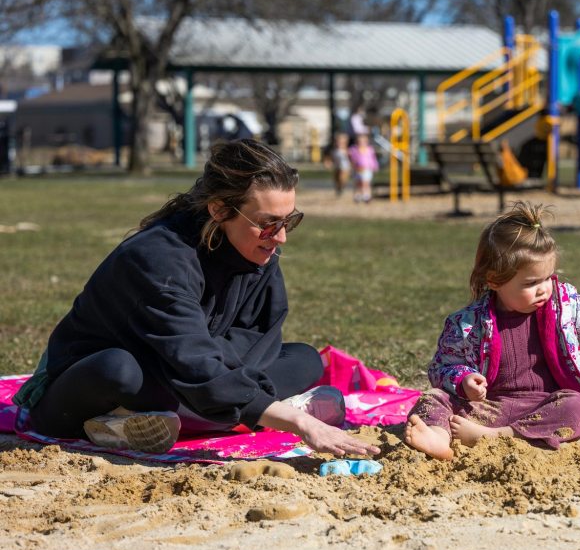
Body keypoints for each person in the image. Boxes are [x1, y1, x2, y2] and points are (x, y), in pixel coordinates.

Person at [13, 139, 379, 458]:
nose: (280, 237)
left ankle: (179, 416)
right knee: (118, 369)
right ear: (219, 210)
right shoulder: (158, 257)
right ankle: (243, 409)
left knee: (303, 359)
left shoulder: (259, 251)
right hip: (99, 384)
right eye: (268, 223)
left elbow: (260, 340)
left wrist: (218, 373)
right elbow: (190, 357)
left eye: (289, 221)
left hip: (188, 376)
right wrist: (298, 422)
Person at [403, 201, 580, 460]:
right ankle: (439, 439)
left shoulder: (563, 306)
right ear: (494, 280)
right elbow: (442, 366)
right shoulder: (467, 323)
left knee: (578, 407)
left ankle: (501, 438)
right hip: (488, 409)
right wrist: (463, 379)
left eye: (547, 278)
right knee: (432, 399)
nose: (543, 289)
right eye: (529, 283)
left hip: (543, 407)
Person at [347, 133, 378, 203]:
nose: (361, 143)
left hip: (367, 169)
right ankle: (357, 195)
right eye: (359, 141)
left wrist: (375, 166)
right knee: (358, 183)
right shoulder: (354, 149)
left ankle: (367, 196)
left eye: (363, 141)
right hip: (358, 169)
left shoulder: (370, 150)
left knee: (366, 183)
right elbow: (351, 157)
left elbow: (373, 159)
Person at [324, 132, 351, 197]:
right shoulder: (333, 150)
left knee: (342, 177)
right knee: (336, 179)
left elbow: (351, 158)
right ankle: (338, 188)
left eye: (341, 142)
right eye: (338, 142)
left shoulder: (347, 150)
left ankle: (342, 186)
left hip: (345, 167)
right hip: (337, 166)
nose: (339, 143)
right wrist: (328, 163)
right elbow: (329, 158)